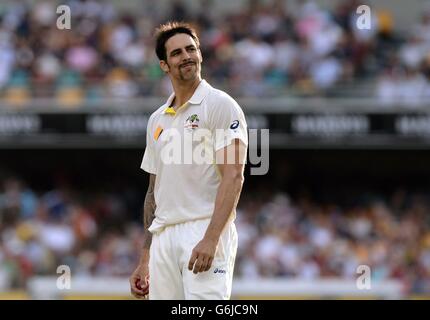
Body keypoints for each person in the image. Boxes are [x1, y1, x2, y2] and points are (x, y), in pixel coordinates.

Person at [129, 21, 248, 300]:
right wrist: (145, 257)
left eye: (191, 49)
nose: (186, 56)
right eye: (177, 53)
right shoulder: (156, 119)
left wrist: (211, 237)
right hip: (164, 237)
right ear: (164, 65)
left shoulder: (221, 105)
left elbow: (234, 175)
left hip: (203, 227)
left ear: (200, 54)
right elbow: (152, 193)